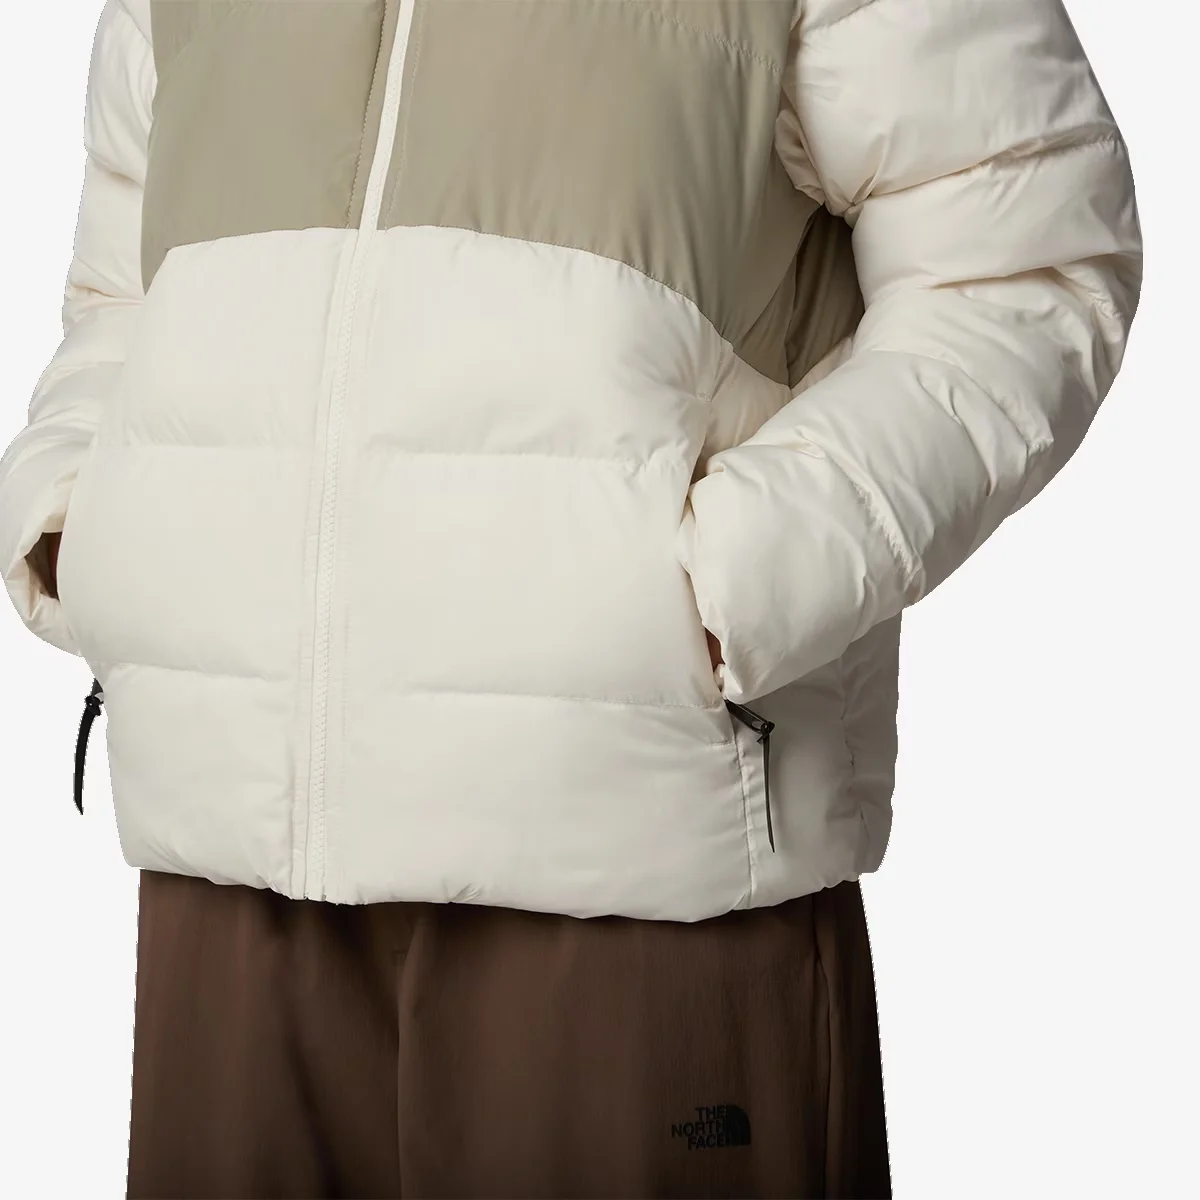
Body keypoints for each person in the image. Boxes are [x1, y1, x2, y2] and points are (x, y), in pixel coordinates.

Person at [0, 1, 1140, 1197]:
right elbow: (127, 289)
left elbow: (1029, 259)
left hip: (638, 860)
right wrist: (82, 518)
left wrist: (732, 583)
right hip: (231, 865)